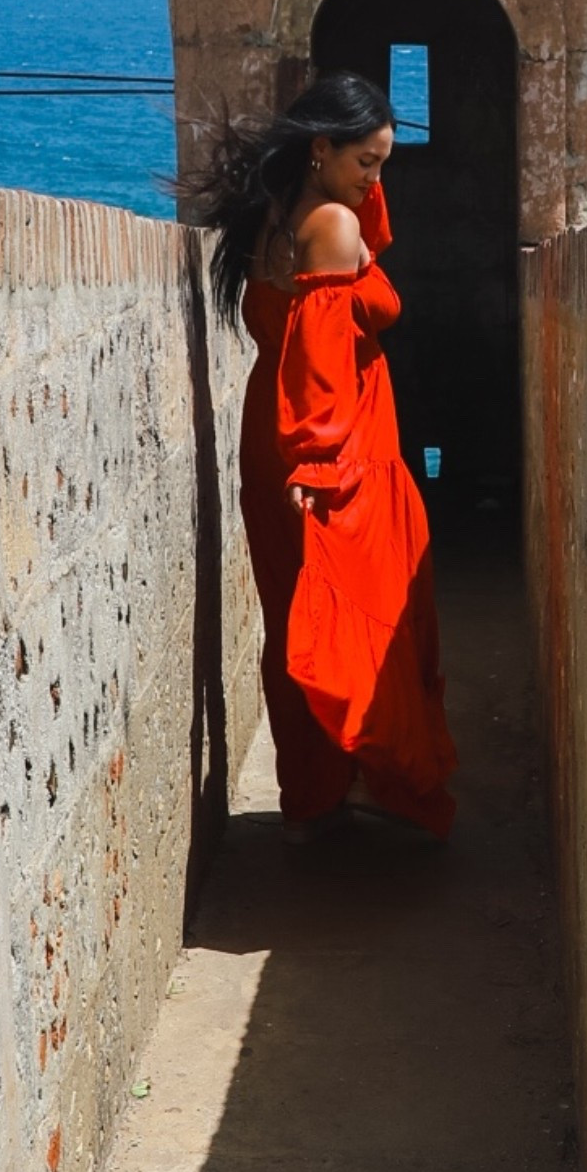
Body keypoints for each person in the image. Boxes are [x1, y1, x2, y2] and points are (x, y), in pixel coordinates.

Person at [189, 71, 457, 842]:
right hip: (334, 445)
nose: (376, 179)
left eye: (383, 163)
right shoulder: (332, 226)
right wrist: (320, 461)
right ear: (320, 149)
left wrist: (304, 456)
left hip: (272, 438)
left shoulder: (281, 215)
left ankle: (319, 789)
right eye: (365, 162)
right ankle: (381, 778)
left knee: (298, 614)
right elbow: (322, 359)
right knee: (372, 617)